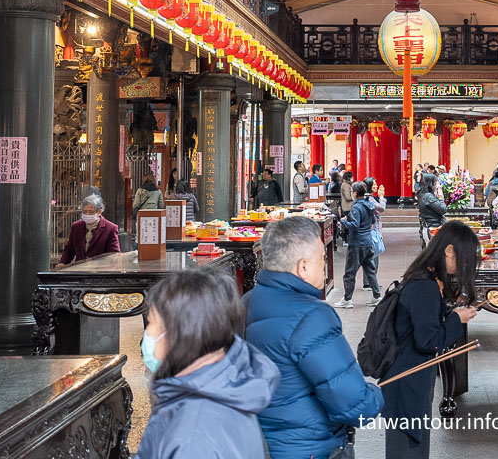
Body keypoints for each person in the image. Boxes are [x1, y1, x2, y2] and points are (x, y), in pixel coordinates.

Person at [246, 217, 383, 459]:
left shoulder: (247, 301)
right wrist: (375, 394)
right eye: (321, 257)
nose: (326, 263)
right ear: (303, 267)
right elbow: (354, 404)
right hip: (307, 447)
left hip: (256, 444)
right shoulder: (312, 316)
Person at [136, 267, 279, 459]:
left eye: (152, 323)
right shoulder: (227, 385)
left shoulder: (192, 434)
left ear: (183, 333)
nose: (148, 335)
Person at [379, 221, 480, 459]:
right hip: (406, 382)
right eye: (464, 257)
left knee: (413, 446)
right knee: (408, 449)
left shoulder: (424, 278)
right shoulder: (424, 286)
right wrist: (457, 319)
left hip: (409, 378)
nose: (466, 264)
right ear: (449, 250)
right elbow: (429, 341)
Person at [334, 181, 381, 308]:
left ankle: (347, 299)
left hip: (357, 243)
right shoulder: (369, 204)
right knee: (370, 270)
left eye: (352, 192)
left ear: (355, 193)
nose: (351, 194)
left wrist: (344, 222)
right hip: (368, 241)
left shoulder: (356, 207)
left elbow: (355, 226)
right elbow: (371, 221)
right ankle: (377, 296)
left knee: (350, 272)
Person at [60, 193, 120, 265]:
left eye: (91, 212)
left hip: (100, 271)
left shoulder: (111, 228)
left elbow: (113, 255)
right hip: (80, 271)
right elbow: (69, 249)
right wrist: (63, 263)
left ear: (99, 212)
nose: (87, 214)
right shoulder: (76, 227)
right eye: (85, 212)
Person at [416, 173, 446, 247]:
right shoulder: (428, 197)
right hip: (433, 228)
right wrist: (441, 198)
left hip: (429, 227)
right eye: (435, 182)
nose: (437, 184)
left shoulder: (423, 195)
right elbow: (443, 209)